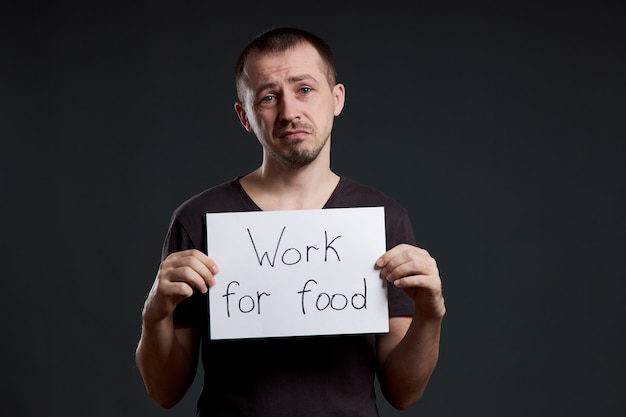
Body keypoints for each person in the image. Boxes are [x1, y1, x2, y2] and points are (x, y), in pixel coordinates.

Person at [135, 26, 446, 416]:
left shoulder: (383, 219)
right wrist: (155, 312)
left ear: (337, 99)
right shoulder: (199, 219)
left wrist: (430, 314)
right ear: (245, 116)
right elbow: (165, 392)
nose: (289, 111)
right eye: (268, 97)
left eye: (304, 89)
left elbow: (403, 393)